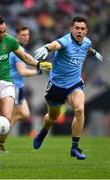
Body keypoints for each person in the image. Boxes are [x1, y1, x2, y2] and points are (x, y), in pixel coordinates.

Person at [0, 16, 52, 167]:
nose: (2, 34)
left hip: (6, 81)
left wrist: (39, 65)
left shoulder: (9, 40)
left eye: (4, 31)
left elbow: (25, 56)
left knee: (7, 120)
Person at [33, 16, 103, 160]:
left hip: (74, 84)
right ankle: (43, 131)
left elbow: (87, 48)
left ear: (86, 31)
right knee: (52, 117)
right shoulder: (66, 40)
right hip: (56, 86)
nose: (79, 31)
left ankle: (75, 147)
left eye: (82, 29)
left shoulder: (87, 42)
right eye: (76, 28)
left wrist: (94, 52)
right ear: (71, 29)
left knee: (79, 109)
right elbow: (56, 44)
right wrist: (47, 48)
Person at [10, 26, 42, 126]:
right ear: (17, 36)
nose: (26, 37)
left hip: (16, 86)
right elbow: (22, 72)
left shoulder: (12, 47)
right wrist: (37, 72)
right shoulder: (19, 50)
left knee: (25, 114)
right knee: (12, 116)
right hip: (14, 86)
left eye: (27, 35)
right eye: (23, 35)